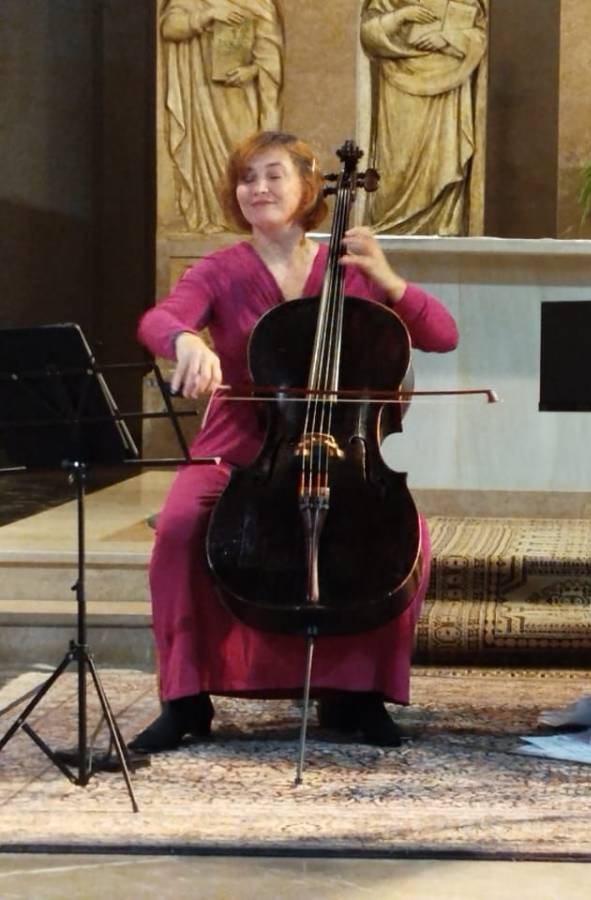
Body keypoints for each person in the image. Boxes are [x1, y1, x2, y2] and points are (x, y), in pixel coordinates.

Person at [130, 131, 458, 753]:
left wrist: (389, 279)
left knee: (403, 542)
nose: (257, 189)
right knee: (177, 531)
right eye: (246, 178)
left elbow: (442, 335)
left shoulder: (350, 270)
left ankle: (358, 695)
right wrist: (186, 341)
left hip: (344, 453)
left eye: (272, 175)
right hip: (238, 447)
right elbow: (159, 318)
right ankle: (184, 698)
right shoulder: (220, 270)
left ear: (308, 187)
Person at [360, 0, 488, 235]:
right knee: (397, 163)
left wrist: (449, 38)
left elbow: (480, 32)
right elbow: (368, 33)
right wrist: (400, 16)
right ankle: (391, 225)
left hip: (450, 84)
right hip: (398, 84)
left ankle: (442, 225)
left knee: (444, 158)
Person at [160, 0, 284, 234]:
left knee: (243, 152)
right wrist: (208, 15)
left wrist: (253, 70)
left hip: (242, 96)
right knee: (208, 161)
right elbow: (169, 27)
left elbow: (270, 52)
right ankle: (213, 216)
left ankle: (246, 219)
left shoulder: (260, 3)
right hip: (202, 97)